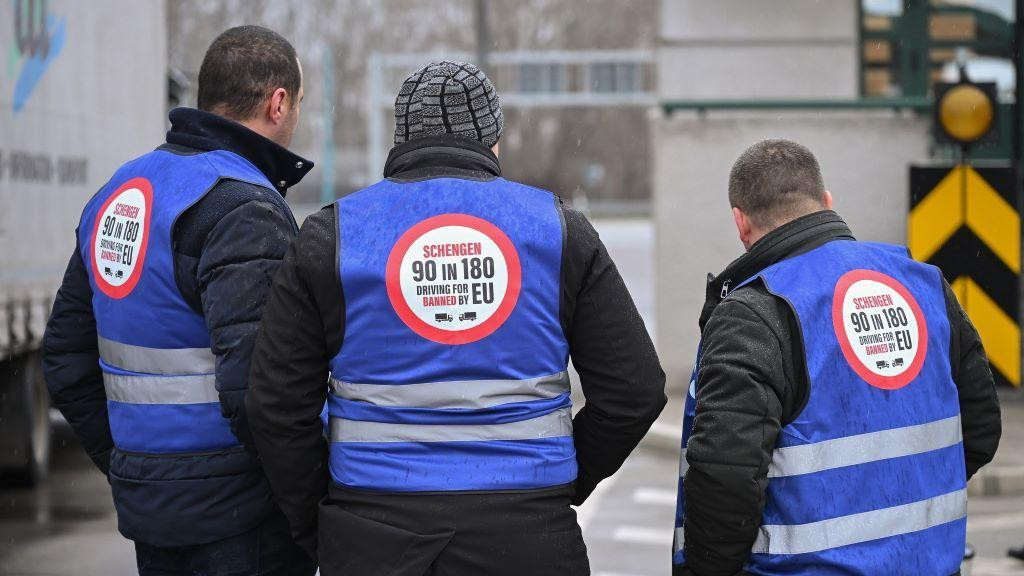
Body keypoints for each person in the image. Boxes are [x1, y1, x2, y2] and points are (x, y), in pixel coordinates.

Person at [247, 60, 667, 576]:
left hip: (372, 535)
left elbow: (274, 406)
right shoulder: (557, 230)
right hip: (528, 538)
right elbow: (636, 389)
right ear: (493, 142)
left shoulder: (332, 236)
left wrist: (323, 517)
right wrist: (563, 482)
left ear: (400, 138)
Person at [42, 25, 316, 576]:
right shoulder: (242, 208)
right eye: (300, 104)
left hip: (155, 517)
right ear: (278, 102)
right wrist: (309, 506)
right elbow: (262, 392)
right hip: (242, 523)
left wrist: (135, 472)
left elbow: (65, 360)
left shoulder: (120, 192)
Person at [672, 139, 1002, 576]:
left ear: (741, 222)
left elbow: (724, 481)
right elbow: (980, 428)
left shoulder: (755, 313)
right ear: (827, 202)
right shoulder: (925, 285)